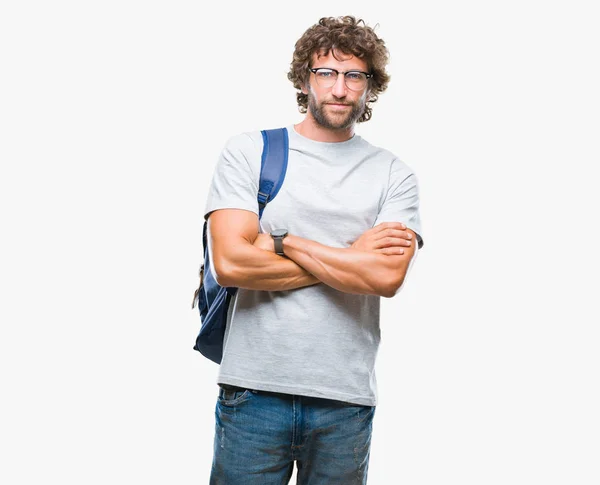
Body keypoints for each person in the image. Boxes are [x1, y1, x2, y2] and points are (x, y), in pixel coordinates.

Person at [202, 15, 424, 485]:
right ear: (306, 79)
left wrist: (283, 242)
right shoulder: (251, 151)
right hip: (253, 393)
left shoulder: (393, 174)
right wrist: (353, 253)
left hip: (344, 398)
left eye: (353, 75)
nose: (339, 89)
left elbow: (385, 279)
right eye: (326, 73)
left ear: (370, 86)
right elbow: (230, 263)